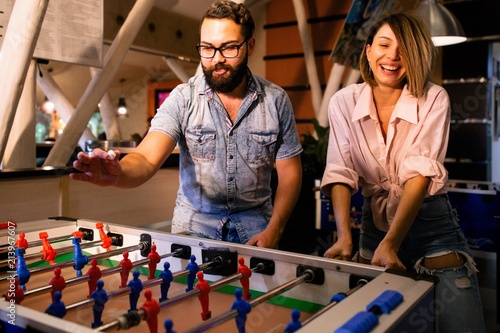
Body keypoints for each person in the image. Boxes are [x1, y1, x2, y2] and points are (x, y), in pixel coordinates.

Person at [69, 0, 302, 249]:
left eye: (229, 48)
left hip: (258, 231)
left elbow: (290, 173)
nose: (217, 59)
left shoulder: (276, 100)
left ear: (250, 45)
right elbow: (146, 158)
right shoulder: (182, 98)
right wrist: (120, 174)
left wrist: (275, 228)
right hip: (193, 232)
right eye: (207, 48)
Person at [320, 13, 485, 333]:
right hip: (373, 226)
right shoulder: (343, 101)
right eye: (383, 44)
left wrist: (392, 242)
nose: (392, 56)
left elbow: (419, 175)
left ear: (417, 56)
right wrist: (344, 236)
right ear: (367, 51)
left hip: (432, 226)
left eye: (404, 49)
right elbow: (340, 169)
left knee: (461, 327)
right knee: (383, 326)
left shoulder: (434, 97)